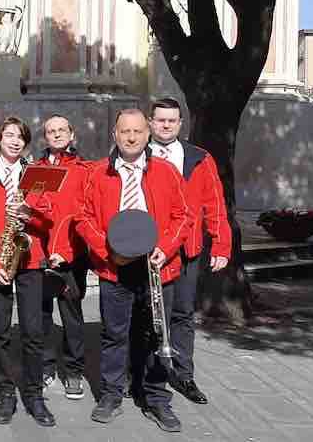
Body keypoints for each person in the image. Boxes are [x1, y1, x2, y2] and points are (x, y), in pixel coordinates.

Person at [77, 108, 191, 432]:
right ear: (114, 134)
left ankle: (155, 397)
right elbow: (82, 217)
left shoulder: (166, 171)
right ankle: (111, 395)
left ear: (148, 133)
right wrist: (108, 252)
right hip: (115, 267)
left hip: (156, 267)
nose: (131, 137)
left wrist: (165, 248)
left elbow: (183, 215)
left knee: (156, 334)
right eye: (125, 131)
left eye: (137, 131)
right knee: (114, 335)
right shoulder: (97, 173)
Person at [0, 117, 57, 427]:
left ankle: (34, 395)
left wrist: (28, 214)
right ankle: (6, 393)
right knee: (0, 333)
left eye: (20, 137)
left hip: (30, 261)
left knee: (33, 332)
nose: (15, 141)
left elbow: (49, 213)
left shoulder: (37, 173)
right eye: (9, 135)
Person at [148, 97, 231, 405]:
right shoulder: (137, 155)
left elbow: (215, 203)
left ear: (180, 124)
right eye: (160, 120)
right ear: (150, 122)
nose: (166, 125)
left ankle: (183, 375)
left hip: (187, 250)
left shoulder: (199, 158)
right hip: (148, 251)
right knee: (149, 315)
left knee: (182, 313)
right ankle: (144, 375)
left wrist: (221, 244)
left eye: (172, 120)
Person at [37, 114, 91, 400]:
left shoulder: (84, 170)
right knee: (43, 314)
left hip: (72, 254)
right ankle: (46, 366)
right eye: (51, 131)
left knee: (72, 316)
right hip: (42, 254)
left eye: (61, 130)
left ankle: (73, 370)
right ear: (45, 137)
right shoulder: (37, 169)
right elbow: (33, 210)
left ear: (72, 135)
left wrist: (66, 251)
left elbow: (84, 215)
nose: (56, 134)